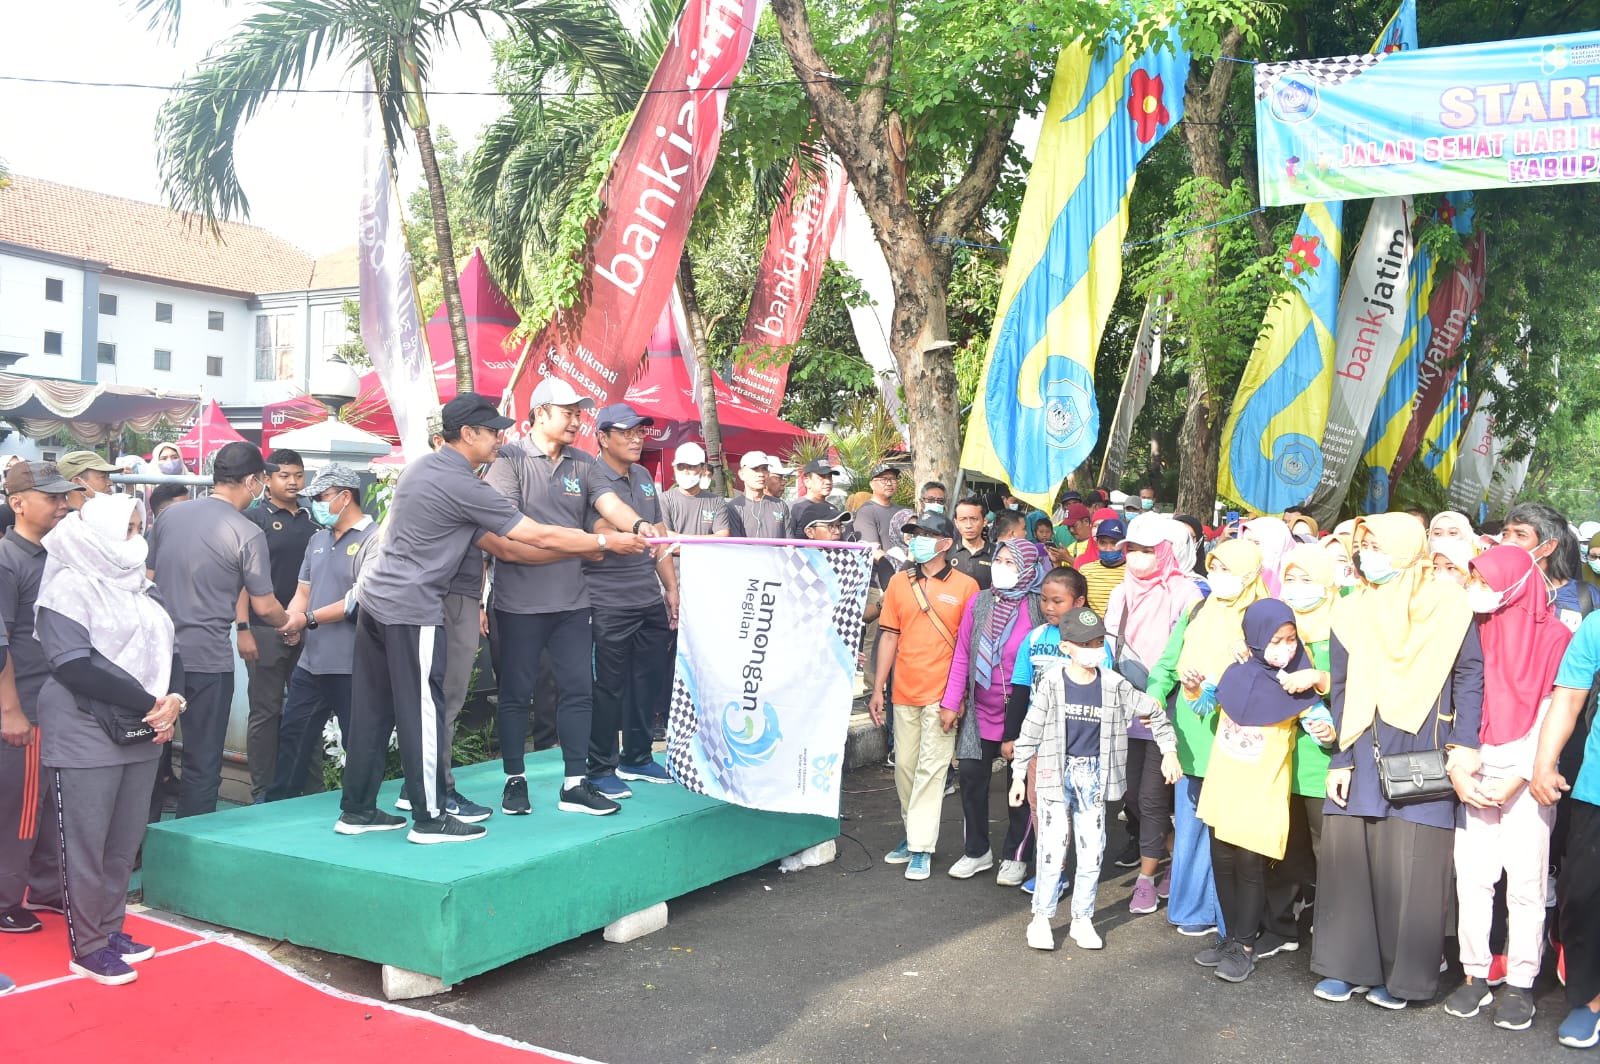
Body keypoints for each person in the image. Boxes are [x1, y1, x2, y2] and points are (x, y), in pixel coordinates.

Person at [338, 394, 648, 842]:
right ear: (467, 434)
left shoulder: (421, 467)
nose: (500, 439)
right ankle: (429, 818)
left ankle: (358, 810)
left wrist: (625, 530)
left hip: (375, 603)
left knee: (372, 711)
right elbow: (531, 535)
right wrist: (601, 545)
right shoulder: (464, 483)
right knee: (424, 712)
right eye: (492, 431)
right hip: (411, 607)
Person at [1312, 513, 1483, 1010]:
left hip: (1425, 741)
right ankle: (1347, 967)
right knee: (1352, 854)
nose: (1367, 555)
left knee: (1414, 861)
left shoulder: (1449, 604)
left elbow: (1470, 676)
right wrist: (1339, 758)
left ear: (1407, 549)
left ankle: (1404, 978)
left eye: (1376, 545)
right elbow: (1340, 687)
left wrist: (1465, 743)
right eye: (1362, 547)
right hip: (1364, 740)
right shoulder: (1350, 609)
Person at [482, 380, 656, 816]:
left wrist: (637, 527)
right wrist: (593, 545)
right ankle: (514, 779)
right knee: (517, 694)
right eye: (568, 413)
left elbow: (609, 501)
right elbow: (509, 528)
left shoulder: (583, 462)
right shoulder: (509, 459)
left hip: (574, 601)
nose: (577, 421)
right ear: (541, 413)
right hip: (518, 603)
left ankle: (576, 783)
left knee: (579, 691)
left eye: (580, 414)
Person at [36, 494, 184, 985]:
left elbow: (169, 652)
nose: (136, 538)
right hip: (84, 727)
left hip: (142, 728)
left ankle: (112, 927)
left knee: (123, 839)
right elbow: (75, 665)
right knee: (85, 840)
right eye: (127, 528)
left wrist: (174, 698)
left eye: (141, 527)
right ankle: (88, 945)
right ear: (96, 532)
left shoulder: (140, 588)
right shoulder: (67, 587)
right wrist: (150, 700)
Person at [1442, 545, 1569, 1030]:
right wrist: (1459, 767)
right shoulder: (1469, 630)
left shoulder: (1556, 637)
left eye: (1486, 581)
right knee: (1472, 878)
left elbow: (1555, 710)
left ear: (1516, 583)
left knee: (1527, 884)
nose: (1478, 590)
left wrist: (1520, 773)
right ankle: (1474, 974)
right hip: (1473, 768)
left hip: (1528, 773)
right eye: (1474, 580)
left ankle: (1520, 982)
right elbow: (1458, 699)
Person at [1010, 606, 1180, 951]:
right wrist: (1017, 776)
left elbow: (1154, 712)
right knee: (1051, 848)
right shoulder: (1052, 684)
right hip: (1055, 775)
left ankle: (1082, 918)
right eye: (1085, 642)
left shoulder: (1115, 685)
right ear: (1066, 646)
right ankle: (1041, 917)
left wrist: (1170, 750)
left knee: (1092, 851)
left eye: (1099, 641)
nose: (1094, 648)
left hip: (1094, 776)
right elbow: (1030, 731)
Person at [1185, 600, 1332, 982]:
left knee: (1250, 865)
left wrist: (1326, 731)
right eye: (1275, 639)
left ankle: (1246, 945)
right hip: (1223, 784)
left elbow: (1320, 718)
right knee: (1222, 858)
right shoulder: (1235, 672)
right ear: (1254, 638)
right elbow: (1205, 704)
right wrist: (1191, 689)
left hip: (1261, 790)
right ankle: (1229, 936)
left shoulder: (1295, 683)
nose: (1285, 647)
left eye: (1290, 639)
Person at [147, 442, 290, 817]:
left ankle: (136, 849)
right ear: (251, 480)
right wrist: (290, 622)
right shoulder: (247, 532)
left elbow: (147, 578)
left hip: (157, 655)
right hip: (206, 661)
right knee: (202, 762)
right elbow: (265, 605)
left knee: (149, 758)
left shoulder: (169, 517)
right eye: (262, 477)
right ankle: (189, 850)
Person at [1146, 539, 1271, 937]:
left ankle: (1231, 922)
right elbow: (1167, 663)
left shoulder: (1263, 615)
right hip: (1190, 737)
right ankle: (1190, 909)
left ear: (1251, 574)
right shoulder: (1198, 608)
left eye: (1227, 570)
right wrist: (1152, 698)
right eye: (1213, 568)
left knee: (1231, 835)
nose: (1218, 578)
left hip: (1237, 739)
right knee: (1192, 828)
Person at [868, 511, 979, 880]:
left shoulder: (966, 587)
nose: (916, 539)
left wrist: (956, 698)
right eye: (913, 534)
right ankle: (913, 831)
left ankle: (920, 847)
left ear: (946, 544)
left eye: (925, 534)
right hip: (903, 692)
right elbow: (889, 636)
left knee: (932, 771)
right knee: (905, 769)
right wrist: (877, 688)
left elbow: (967, 649)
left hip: (941, 695)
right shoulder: (900, 583)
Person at [1104, 513, 1202, 910]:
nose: (1137, 558)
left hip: (1168, 709)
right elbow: (1110, 647)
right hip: (1125, 709)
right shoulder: (1120, 591)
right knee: (1129, 796)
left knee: (1151, 799)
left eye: (1147, 550)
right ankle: (1174, 858)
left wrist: (1162, 693)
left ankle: (1147, 877)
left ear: (1165, 551)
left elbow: (1187, 652)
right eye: (1132, 550)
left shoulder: (1186, 592)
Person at [265, 465, 378, 803]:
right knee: (294, 734)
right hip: (312, 661)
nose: (314, 504)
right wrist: (290, 620)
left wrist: (306, 619)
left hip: (353, 662)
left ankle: (360, 807)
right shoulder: (318, 539)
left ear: (346, 496)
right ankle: (278, 804)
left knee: (357, 740)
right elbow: (303, 589)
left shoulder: (375, 539)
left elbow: (355, 602)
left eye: (321, 498)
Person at [584, 404, 679, 795]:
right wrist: (624, 528)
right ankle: (600, 767)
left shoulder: (642, 476)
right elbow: (599, 524)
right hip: (605, 601)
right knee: (607, 687)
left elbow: (657, 535)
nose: (637, 438)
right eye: (626, 432)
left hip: (647, 598)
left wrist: (670, 588)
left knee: (647, 682)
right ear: (603, 437)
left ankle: (637, 757)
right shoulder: (590, 474)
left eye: (640, 431)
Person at [941, 540, 1044, 885]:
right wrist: (952, 702)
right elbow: (962, 655)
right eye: (997, 559)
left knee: (1022, 785)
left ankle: (1017, 856)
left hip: (1025, 714)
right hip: (981, 712)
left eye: (1009, 562)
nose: (1000, 566)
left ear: (1027, 568)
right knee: (971, 778)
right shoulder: (980, 601)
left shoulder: (1038, 607)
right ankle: (976, 851)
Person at [0, 462, 74, 933]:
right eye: (51, 497)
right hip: (22, 702)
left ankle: (46, 885)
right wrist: (10, 710)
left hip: (50, 701)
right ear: (18, 503)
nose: (62, 504)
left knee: (47, 803)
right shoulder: (8, 559)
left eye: (64, 496)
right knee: (22, 807)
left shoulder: (50, 555)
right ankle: (7, 898)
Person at [1533, 592, 1600, 1048]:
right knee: (1583, 896)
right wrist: (1544, 763)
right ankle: (1589, 999)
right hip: (1596, 788)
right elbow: (1569, 697)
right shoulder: (1596, 626)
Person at [239, 448, 315, 803]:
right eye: (284, 475)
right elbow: (241, 579)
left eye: (298, 475)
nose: (293, 482)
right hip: (265, 630)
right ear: (266, 479)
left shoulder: (312, 518)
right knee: (266, 711)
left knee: (306, 708)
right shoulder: (255, 518)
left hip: (306, 626)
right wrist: (243, 627)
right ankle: (262, 790)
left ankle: (303, 783)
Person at [1273, 542, 1338, 942]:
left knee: (1324, 847)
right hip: (1281, 754)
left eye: (1306, 579)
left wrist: (1319, 682)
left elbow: (1357, 691)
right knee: (1284, 846)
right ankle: (1280, 926)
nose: (1297, 588)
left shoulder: (1342, 632)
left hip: (1321, 759)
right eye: (1290, 579)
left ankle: (1331, 931)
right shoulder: (1279, 633)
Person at [1503, 501, 1597, 632]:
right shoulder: (1497, 594)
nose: (1507, 542)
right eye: (1505, 534)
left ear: (1548, 546)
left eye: (1521, 535)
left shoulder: (1587, 597)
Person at [726, 452, 790, 540]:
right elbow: (736, 547)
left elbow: (789, 543)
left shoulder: (780, 505)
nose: (761, 474)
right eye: (755, 469)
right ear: (741, 474)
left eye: (764, 469)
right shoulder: (734, 507)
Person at [853, 464, 906, 559]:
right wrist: (898, 564)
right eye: (883, 480)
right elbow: (873, 551)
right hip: (884, 570)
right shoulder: (866, 512)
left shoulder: (902, 511)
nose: (889, 483)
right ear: (872, 484)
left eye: (893, 479)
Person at [1077, 515, 1127, 616]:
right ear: (1097, 543)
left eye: (1114, 543)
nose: (1108, 548)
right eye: (1103, 543)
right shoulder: (1085, 571)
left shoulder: (1132, 572)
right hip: (1093, 629)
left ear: (1123, 543)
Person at [947, 497, 993, 590]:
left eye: (974, 519)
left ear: (984, 521)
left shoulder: (996, 554)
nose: (968, 525)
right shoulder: (946, 552)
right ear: (956, 523)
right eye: (963, 519)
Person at [1242, 516, 1295, 597]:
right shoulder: (1236, 573)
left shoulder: (1296, 577)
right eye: (1246, 542)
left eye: (1257, 543)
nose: (1250, 548)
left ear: (1277, 545)